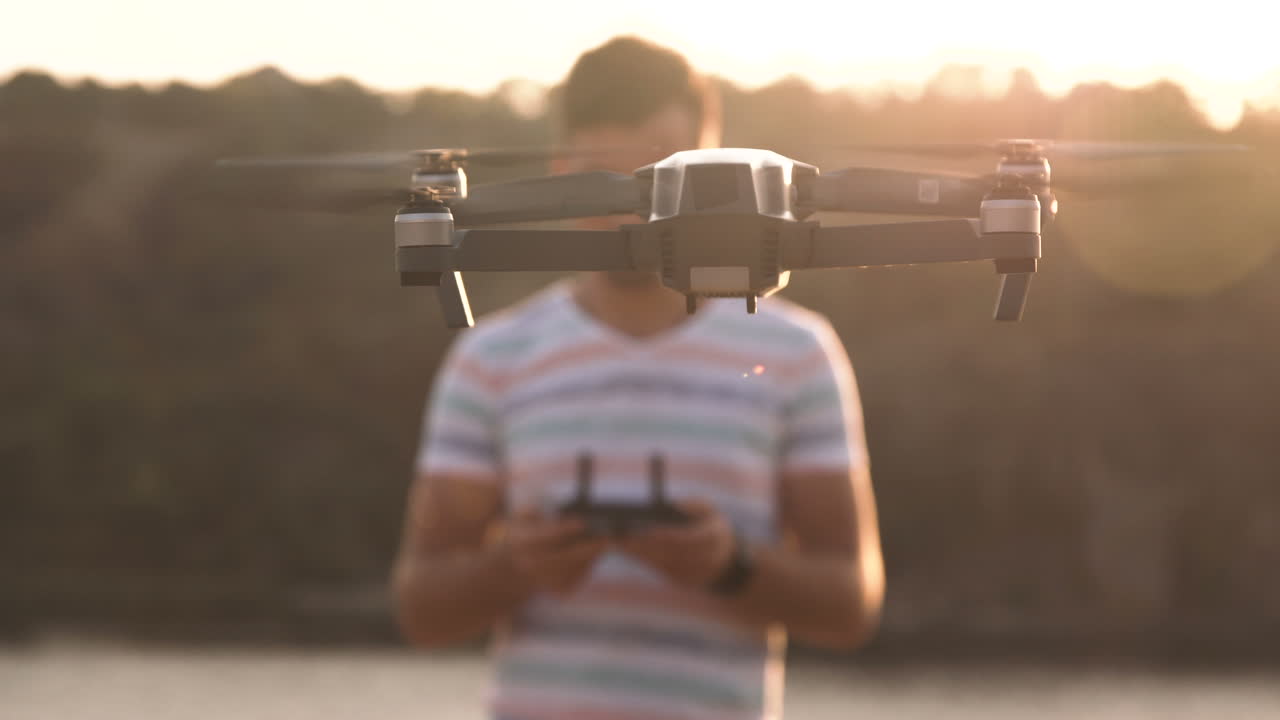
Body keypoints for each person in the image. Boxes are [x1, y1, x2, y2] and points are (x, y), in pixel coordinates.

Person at [391, 36, 884, 720]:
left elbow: (851, 602)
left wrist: (730, 566)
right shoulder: (492, 357)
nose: (630, 211)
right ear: (563, 173)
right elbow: (422, 609)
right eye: (607, 183)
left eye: (655, 184)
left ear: (711, 174)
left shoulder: (798, 350)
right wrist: (517, 567)